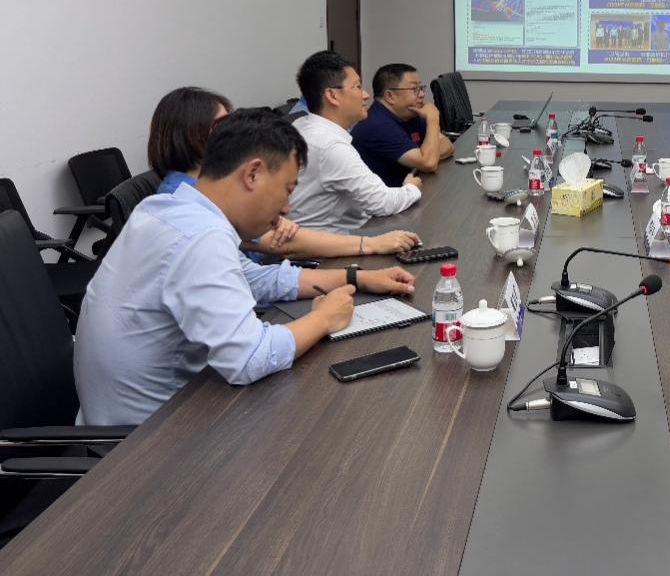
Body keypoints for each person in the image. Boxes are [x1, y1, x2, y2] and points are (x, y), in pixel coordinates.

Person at [74, 108, 419, 425]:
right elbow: (250, 358)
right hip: (148, 442)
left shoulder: (166, 207)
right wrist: (325, 318)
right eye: (287, 190)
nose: (286, 209)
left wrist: (356, 277)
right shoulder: (202, 235)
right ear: (252, 174)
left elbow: (255, 279)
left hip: (130, 417)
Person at [147, 86, 420, 256]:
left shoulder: (216, 181)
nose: (232, 131)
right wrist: (370, 245)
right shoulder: (183, 197)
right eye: (222, 124)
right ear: (190, 133)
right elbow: (281, 243)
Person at [287, 51, 422, 232]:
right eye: (357, 87)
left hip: (338, 231)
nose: (366, 95)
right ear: (332, 96)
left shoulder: (302, 124)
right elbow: (383, 203)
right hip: (336, 243)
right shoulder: (330, 146)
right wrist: (411, 187)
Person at [353, 63, 454, 186]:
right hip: (386, 196)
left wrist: (427, 155)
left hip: (408, 190)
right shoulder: (379, 126)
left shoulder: (410, 114)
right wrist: (433, 119)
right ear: (390, 96)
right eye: (414, 89)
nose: (422, 94)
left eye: (421, 88)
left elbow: (447, 145)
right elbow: (429, 163)